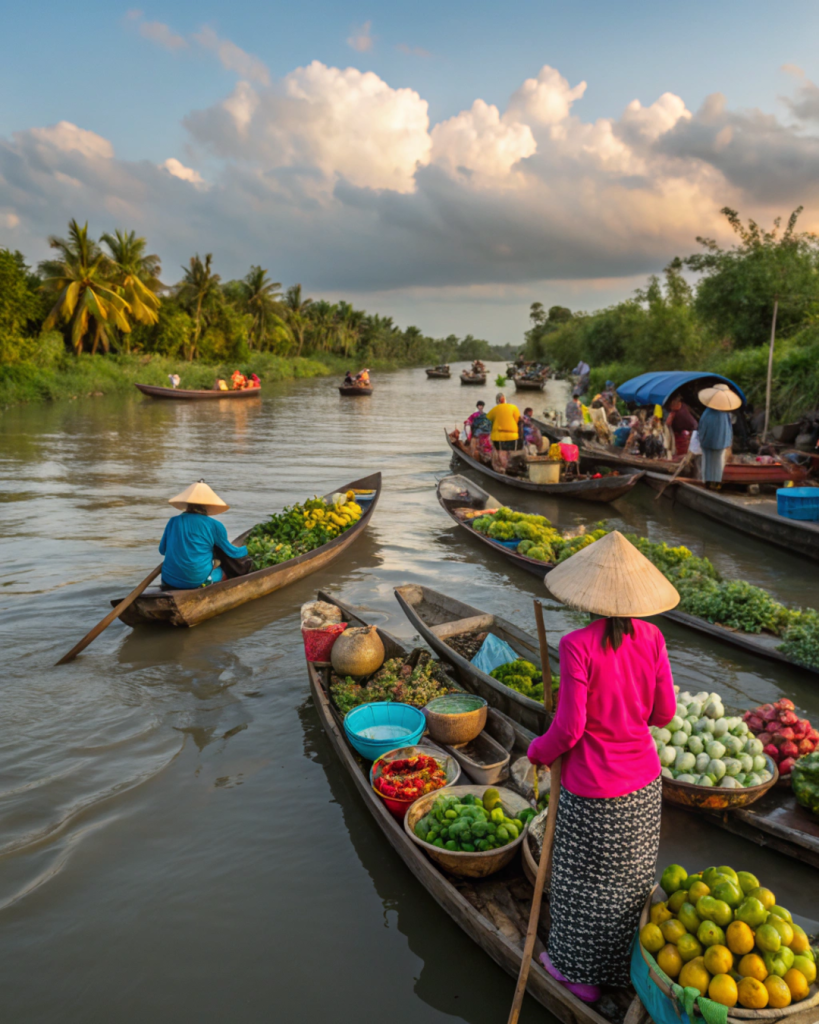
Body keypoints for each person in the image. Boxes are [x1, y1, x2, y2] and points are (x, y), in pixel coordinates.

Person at [527, 530, 679, 1002]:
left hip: (593, 790)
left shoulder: (577, 645)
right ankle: (619, 968)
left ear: (587, 598)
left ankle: (577, 974)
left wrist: (536, 752)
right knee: (627, 885)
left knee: (578, 881)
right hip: (643, 788)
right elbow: (663, 713)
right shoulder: (652, 636)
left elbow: (569, 730)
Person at [159, 481, 249, 589]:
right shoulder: (214, 525)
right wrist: (248, 550)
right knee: (225, 572)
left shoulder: (173, 522)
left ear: (187, 505)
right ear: (207, 506)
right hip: (196, 581)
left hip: (169, 580)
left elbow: (162, 550)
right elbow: (231, 552)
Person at [697, 383, 740, 488]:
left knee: (707, 461)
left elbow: (701, 427)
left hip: (707, 441)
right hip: (720, 442)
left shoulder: (707, 412)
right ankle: (716, 482)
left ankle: (707, 481)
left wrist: (701, 438)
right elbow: (728, 429)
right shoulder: (724, 414)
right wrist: (728, 440)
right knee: (718, 462)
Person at [486, 392, 520, 472]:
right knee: (510, 452)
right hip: (514, 437)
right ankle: (512, 466)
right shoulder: (513, 407)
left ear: (497, 401)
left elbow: (486, 421)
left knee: (501, 452)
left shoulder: (494, 410)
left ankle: (504, 469)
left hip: (500, 438)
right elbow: (518, 420)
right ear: (505, 400)